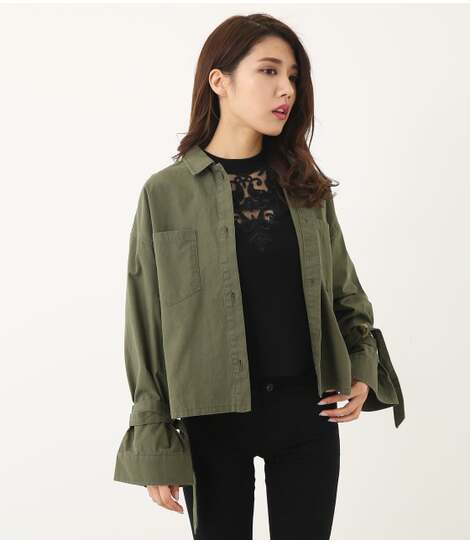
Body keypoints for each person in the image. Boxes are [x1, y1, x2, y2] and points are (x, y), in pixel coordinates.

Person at [113, 13, 405, 540]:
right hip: (211, 421)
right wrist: (154, 435)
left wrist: (362, 366)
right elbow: (146, 324)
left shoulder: (306, 186)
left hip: (309, 413)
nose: (286, 89)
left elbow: (345, 292)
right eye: (269, 71)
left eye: (292, 76)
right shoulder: (165, 193)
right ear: (219, 81)